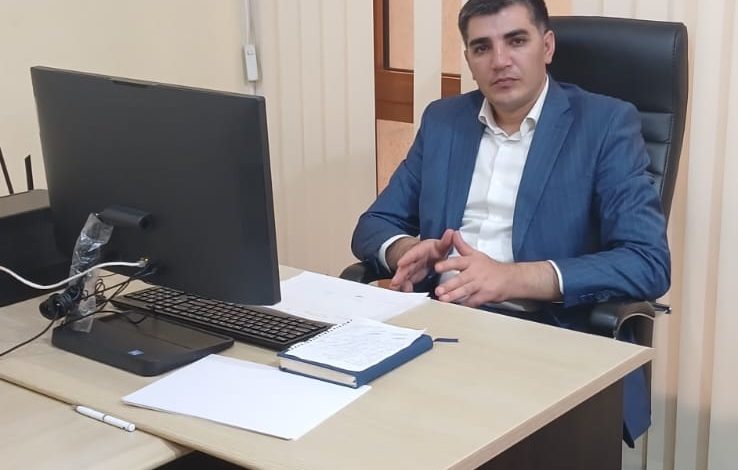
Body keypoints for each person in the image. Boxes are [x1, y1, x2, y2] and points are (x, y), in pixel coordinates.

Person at [351, 0, 669, 446]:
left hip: (544, 340)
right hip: (439, 331)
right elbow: (373, 225)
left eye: (516, 41)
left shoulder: (605, 125)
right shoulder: (444, 121)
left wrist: (511, 278)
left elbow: (647, 262)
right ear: (469, 60)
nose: (499, 61)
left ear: (547, 46)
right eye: (482, 47)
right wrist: (407, 250)